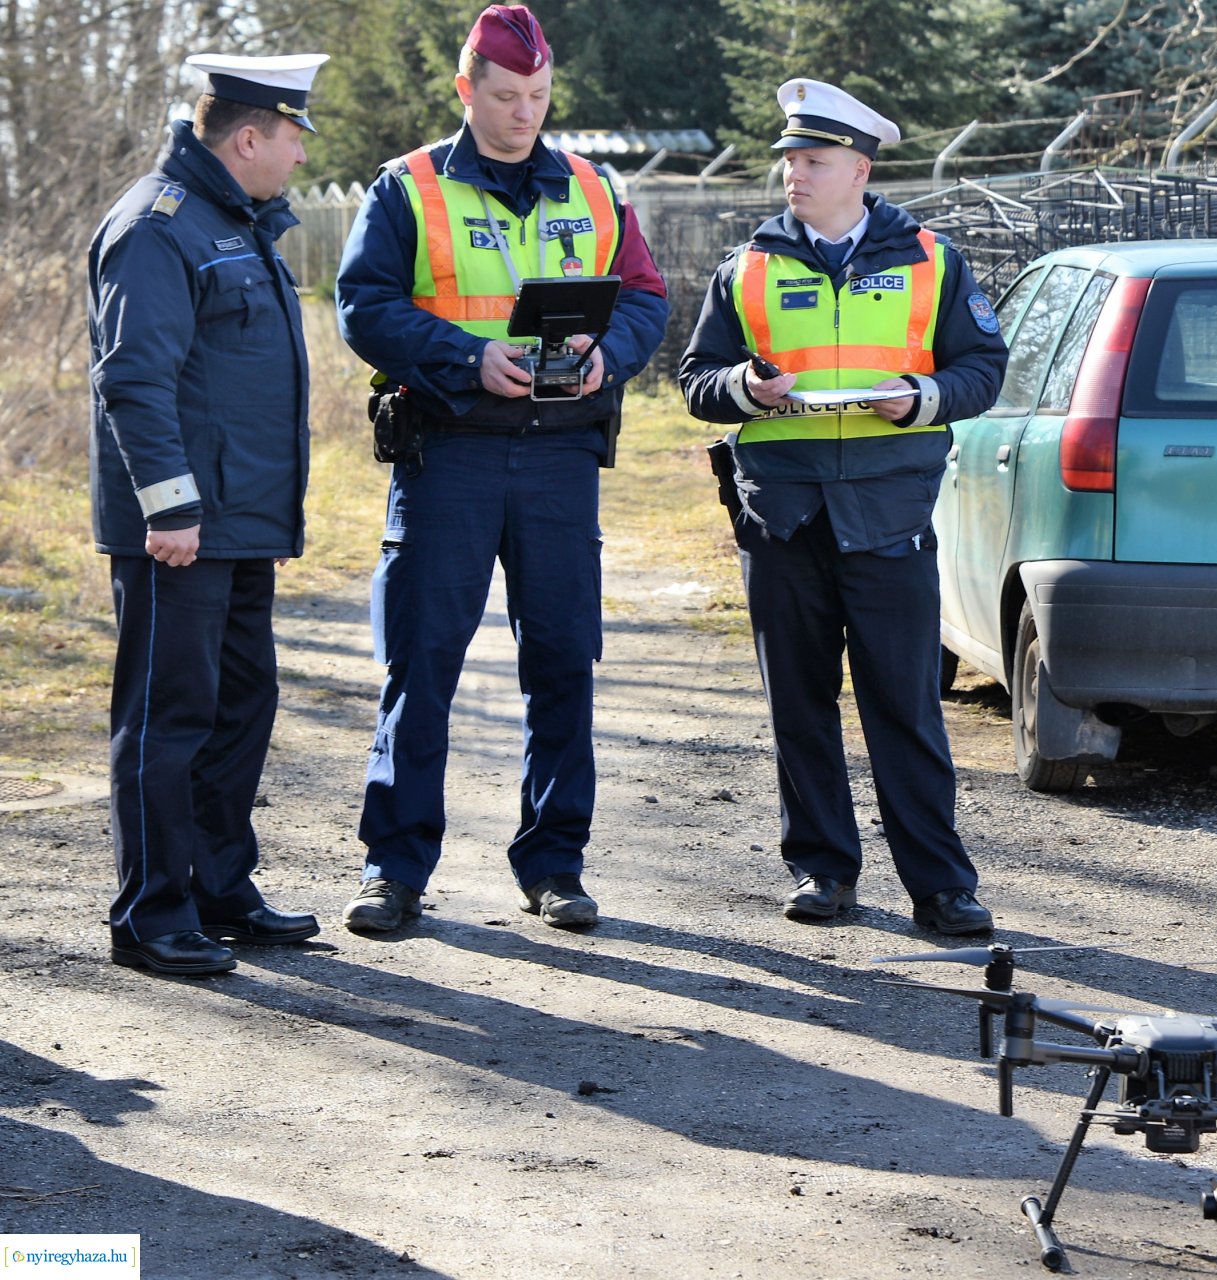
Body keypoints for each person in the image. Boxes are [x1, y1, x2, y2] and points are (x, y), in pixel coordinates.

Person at [334, 4, 668, 934]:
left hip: (561, 456)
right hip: (450, 454)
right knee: (423, 660)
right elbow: (363, 305)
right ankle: (394, 867)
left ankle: (555, 863)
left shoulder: (597, 189)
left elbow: (644, 296)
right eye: (508, 96)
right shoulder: (408, 189)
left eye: (540, 95)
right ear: (467, 90)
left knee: (563, 659)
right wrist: (463, 355)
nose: (527, 114)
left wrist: (614, 355)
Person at [678, 79, 1008, 935]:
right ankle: (822, 872)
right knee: (800, 704)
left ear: (858, 169)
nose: (794, 173)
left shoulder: (932, 262)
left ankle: (940, 887)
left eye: (813, 160)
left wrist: (923, 395)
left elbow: (982, 369)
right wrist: (745, 387)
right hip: (780, 521)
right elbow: (697, 382)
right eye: (789, 158)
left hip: (888, 519)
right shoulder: (745, 267)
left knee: (905, 706)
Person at [87, 52, 331, 976]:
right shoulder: (159, 228)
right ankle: (152, 912)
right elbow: (134, 380)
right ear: (248, 136)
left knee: (239, 708)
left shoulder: (239, 223)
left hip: (241, 520)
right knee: (169, 715)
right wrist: (172, 507)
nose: (302, 157)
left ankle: (221, 888)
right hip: (181, 529)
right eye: (294, 137)